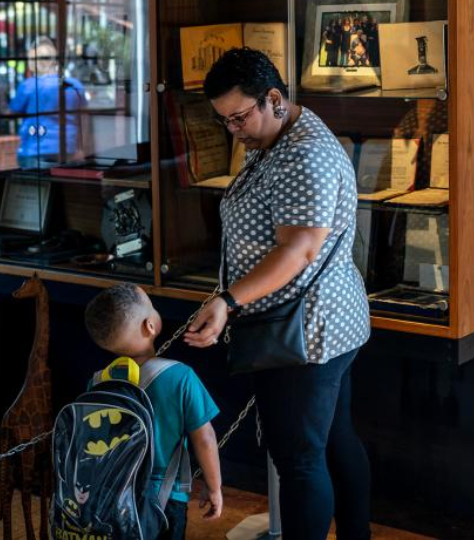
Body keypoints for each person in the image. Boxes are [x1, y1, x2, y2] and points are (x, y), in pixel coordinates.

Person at [183, 47, 372, 540]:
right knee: (333, 442)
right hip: (325, 321)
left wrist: (228, 301)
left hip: (303, 332)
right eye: (224, 120)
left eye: (240, 117)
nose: (234, 130)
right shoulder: (280, 135)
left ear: (273, 98)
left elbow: (298, 249)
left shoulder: (303, 153)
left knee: (299, 460)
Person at [83, 284, 223, 539]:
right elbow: (205, 439)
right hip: (166, 498)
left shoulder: (97, 382)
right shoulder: (181, 377)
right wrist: (214, 487)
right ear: (150, 326)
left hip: (112, 496)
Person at [10, 37, 87, 168]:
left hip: (35, 148)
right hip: (69, 147)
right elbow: (84, 118)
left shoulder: (29, 86)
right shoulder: (74, 85)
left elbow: (14, 110)